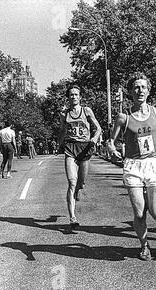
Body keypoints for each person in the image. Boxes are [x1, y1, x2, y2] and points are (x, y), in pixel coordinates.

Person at [108, 73, 156, 260]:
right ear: (131, 92)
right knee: (139, 213)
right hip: (133, 166)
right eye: (136, 87)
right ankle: (144, 245)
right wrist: (112, 149)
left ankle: (149, 197)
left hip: (153, 165)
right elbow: (111, 140)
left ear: (149, 90)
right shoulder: (124, 117)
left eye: (143, 87)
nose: (140, 90)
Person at [58, 84, 102, 229]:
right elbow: (63, 131)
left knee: (81, 183)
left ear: (80, 97)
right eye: (71, 95)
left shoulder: (86, 111)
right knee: (71, 181)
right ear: (68, 97)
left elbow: (98, 128)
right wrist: (59, 144)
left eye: (76, 94)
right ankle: (73, 218)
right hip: (70, 148)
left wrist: (94, 138)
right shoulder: (65, 114)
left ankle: (78, 189)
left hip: (85, 148)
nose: (74, 97)